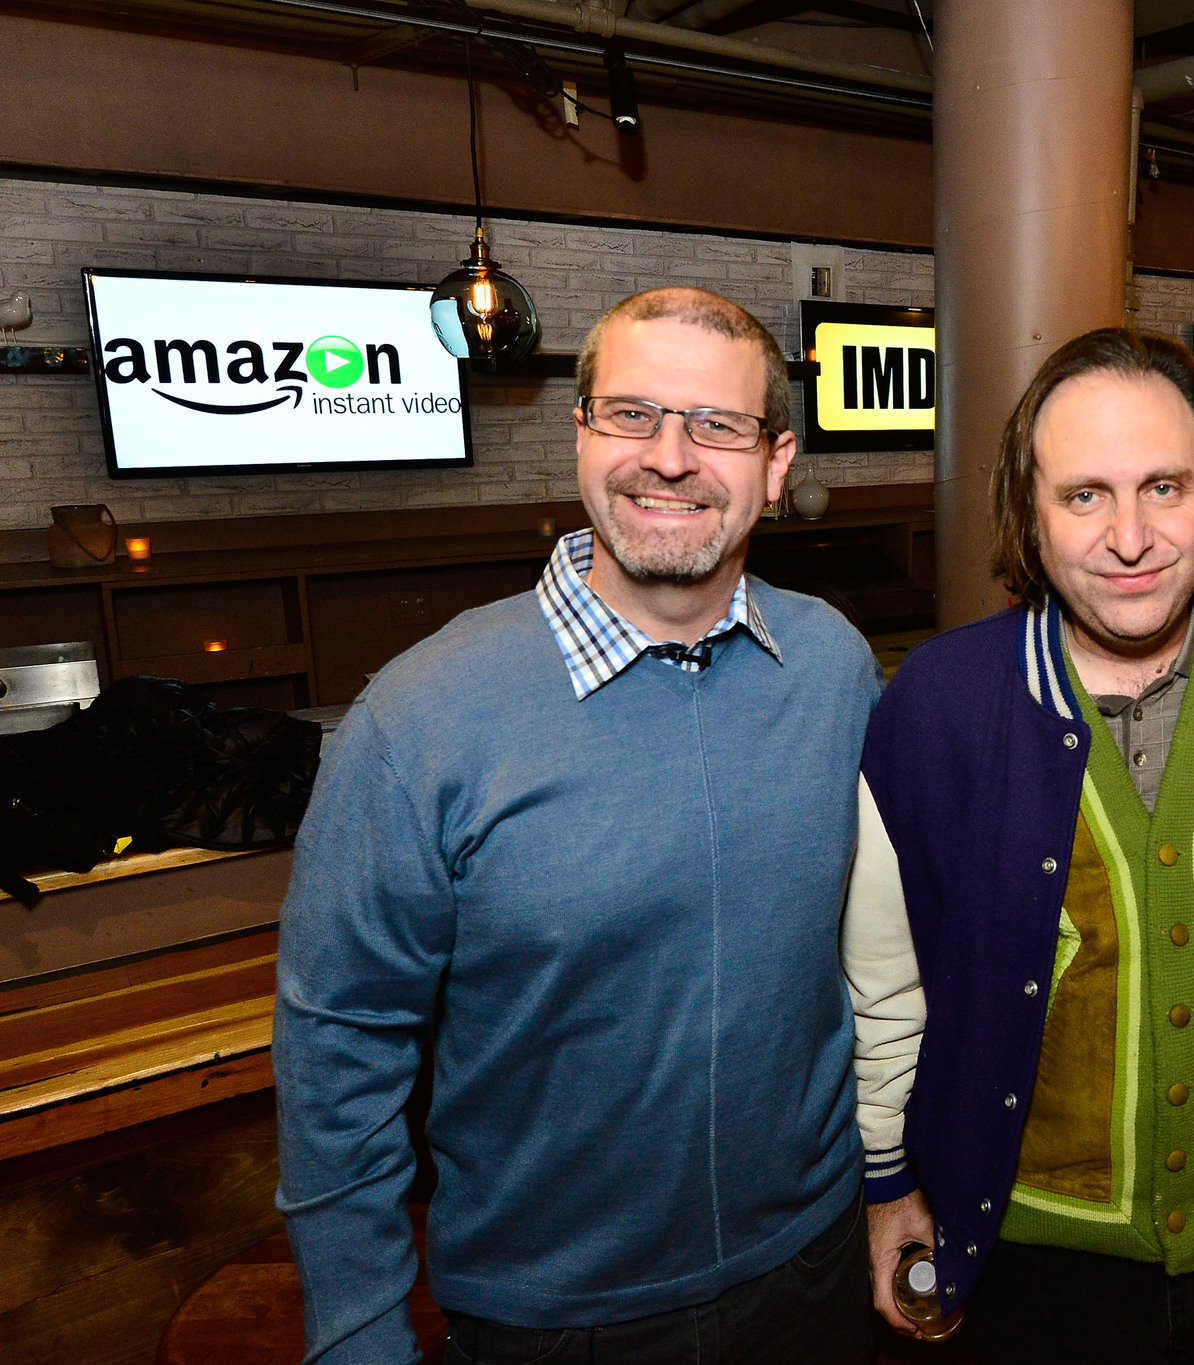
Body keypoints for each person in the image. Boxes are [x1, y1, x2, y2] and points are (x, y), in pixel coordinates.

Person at [274, 287, 882, 1365]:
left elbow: (882, 958)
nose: (670, 457)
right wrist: (358, 1331)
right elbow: (340, 1047)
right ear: (580, 435)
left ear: (775, 466)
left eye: (718, 426)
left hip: (813, 1270)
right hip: (552, 1317)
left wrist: (891, 1182)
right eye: (632, 414)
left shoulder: (833, 666)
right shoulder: (420, 718)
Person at [846, 329, 1194, 1364]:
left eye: (1164, 488)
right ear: (1029, 518)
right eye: (1083, 495)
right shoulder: (937, 707)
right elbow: (885, 979)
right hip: (1033, 1255)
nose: (1128, 537)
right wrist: (886, 1182)